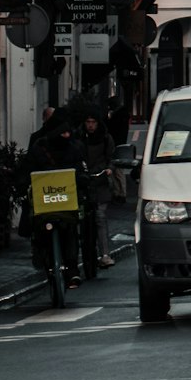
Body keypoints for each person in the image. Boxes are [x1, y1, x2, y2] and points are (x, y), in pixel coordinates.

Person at [23, 110, 86, 286]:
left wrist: (83, 179)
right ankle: (50, 261)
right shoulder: (40, 148)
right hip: (53, 202)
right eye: (63, 132)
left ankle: (72, 269)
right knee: (44, 232)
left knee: (70, 230)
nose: (67, 136)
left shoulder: (72, 148)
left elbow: (80, 169)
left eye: (68, 132)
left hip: (60, 201)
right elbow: (27, 168)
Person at [81, 111, 117, 268]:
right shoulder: (80, 137)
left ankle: (105, 254)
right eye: (88, 121)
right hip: (85, 181)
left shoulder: (105, 137)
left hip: (100, 180)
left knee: (100, 216)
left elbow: (111, 157)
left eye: (93, 122)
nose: (90, 125)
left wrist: (109, 168)